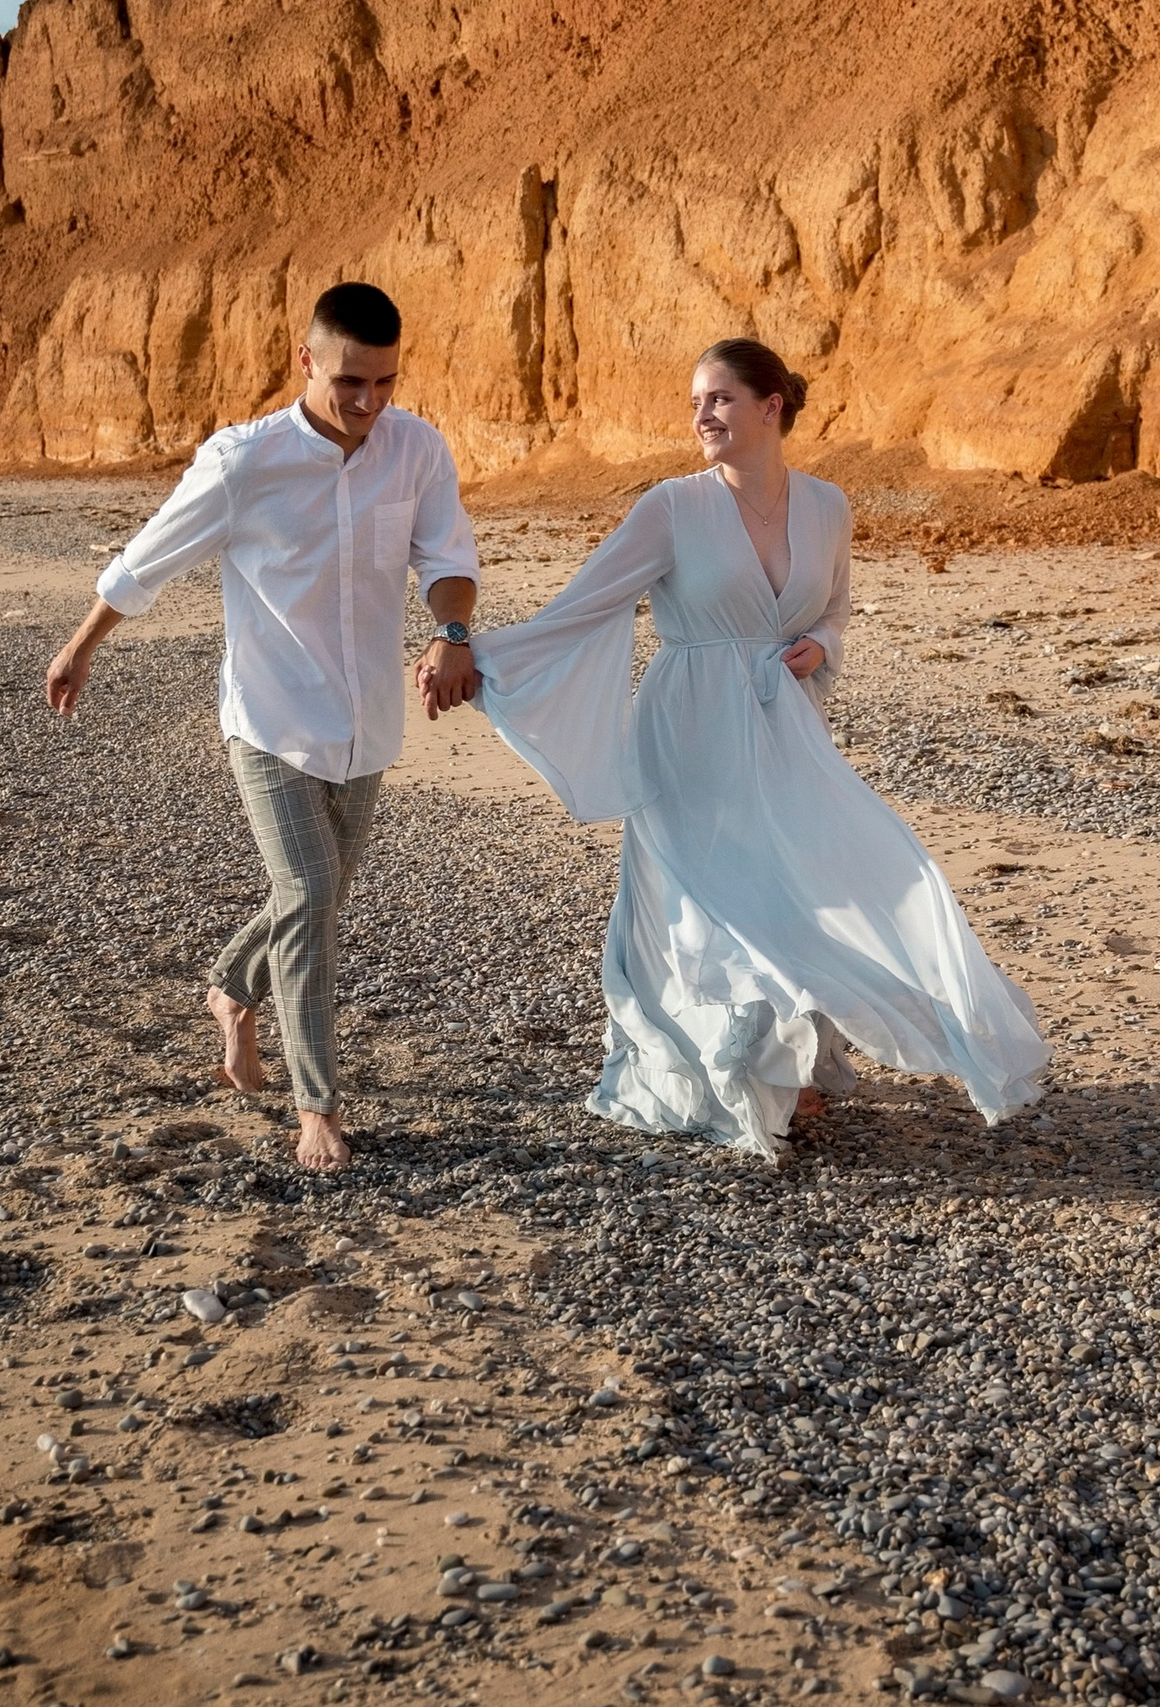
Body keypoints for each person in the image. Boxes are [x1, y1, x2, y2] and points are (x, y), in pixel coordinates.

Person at [424, 336, 1047, 1161]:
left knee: (805, 879)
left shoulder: (828, 505)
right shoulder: (672, 507)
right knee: (709, 899)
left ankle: (790, 1059)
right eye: (694, 402)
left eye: (717, 398)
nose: (701, 415)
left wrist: (818, 648)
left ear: (770, 405)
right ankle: (736, 1067)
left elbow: (834, 611)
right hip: (688, 728)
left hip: (782, 721)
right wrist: (468, 648)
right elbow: (583, 606)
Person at [45, 282, 481, 1172]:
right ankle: (316, 1104)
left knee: (310, 897)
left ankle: (230, 989)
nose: (367, 403)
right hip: (270, 722)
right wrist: (81, 645)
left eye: (385, 382)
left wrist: (452, 631)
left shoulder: (416, 450)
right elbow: (149, 555)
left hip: (367, 724)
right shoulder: (243, 460)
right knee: (314, 900)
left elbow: (447, 558)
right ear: (305, 360)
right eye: (350, 381)